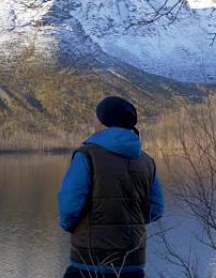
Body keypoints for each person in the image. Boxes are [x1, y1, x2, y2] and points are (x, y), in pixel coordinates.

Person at [58, 96, 164, 278]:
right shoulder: (147, 161)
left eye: (96, 117)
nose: (94, 122)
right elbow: (156, 209)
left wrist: (71, 227)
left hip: (89, 262)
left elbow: (69, 206)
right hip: (133, 261)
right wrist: (129, 222)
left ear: (103, 122)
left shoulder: (87, 156)